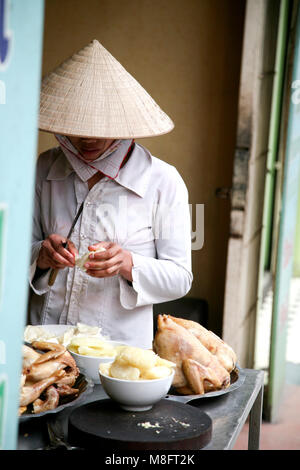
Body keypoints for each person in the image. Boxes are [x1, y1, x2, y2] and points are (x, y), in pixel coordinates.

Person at [29, 40, 192, 349]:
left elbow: (180, 277)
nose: (86, 139)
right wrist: (42, 255)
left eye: (98, 130)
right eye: (77, 128)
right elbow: (16, 249)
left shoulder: (163, 182)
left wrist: (127, 263)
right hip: (43, 343)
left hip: (117, 354)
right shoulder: (45, 167)